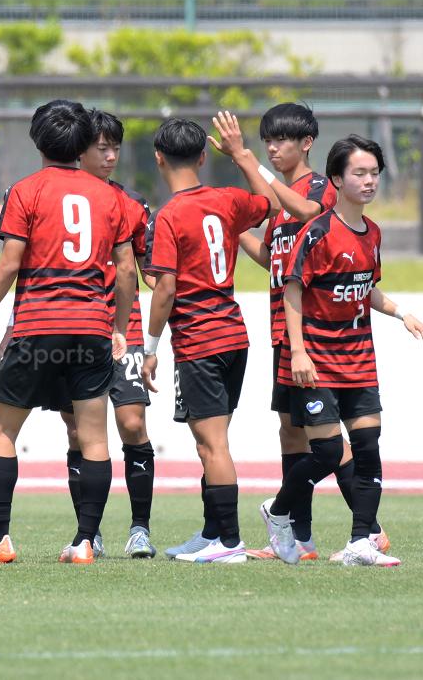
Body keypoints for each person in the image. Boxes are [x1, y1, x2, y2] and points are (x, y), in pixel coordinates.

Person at [0, 99, 136, 565]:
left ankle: (1, 538)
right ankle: (85, 542)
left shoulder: (26, 191)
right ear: (82, 144)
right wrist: (119, 326)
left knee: (2, 428)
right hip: (91, 327)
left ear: (38, 141)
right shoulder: (109, 196)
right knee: (94, 437)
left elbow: (10, 265)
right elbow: (125, 271)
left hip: (38, 327)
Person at [259, 134, 423, 567]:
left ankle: (360, 543)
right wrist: (298, 352)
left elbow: (366, 288)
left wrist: (401, 313)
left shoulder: (373, 233)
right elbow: (292, 291)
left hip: (359, 359)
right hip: (318, 361)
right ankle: (278, 511)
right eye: (359, 173)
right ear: (337, 178)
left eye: (374, 173)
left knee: (368, 447)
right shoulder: (317, 232)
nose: (369, 181)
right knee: (329, 453)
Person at [237, 103, 389, 560]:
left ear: (306, 143)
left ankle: (368, 529)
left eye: (281, 140)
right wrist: (233, 229)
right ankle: (298, 539)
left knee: (331, 442)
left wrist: (248, 162)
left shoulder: (319, 188)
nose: (272, 148)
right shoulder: (278, 203)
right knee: (292, 432)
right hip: (283, 333)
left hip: (315, 337)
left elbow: (308, 213)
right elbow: (271, 257)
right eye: (267, 141)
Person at [142, 114, 279, 564]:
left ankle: (230, 542)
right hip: (233, 335)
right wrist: (240, 156)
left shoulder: (170, 215)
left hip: (200, 340)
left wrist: (149, 349)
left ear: (158, 158)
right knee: (213, 441)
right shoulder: (227, 199)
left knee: (211, 444)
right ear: (203, 157)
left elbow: (165, 288)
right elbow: (269, 203)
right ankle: (212, 533)